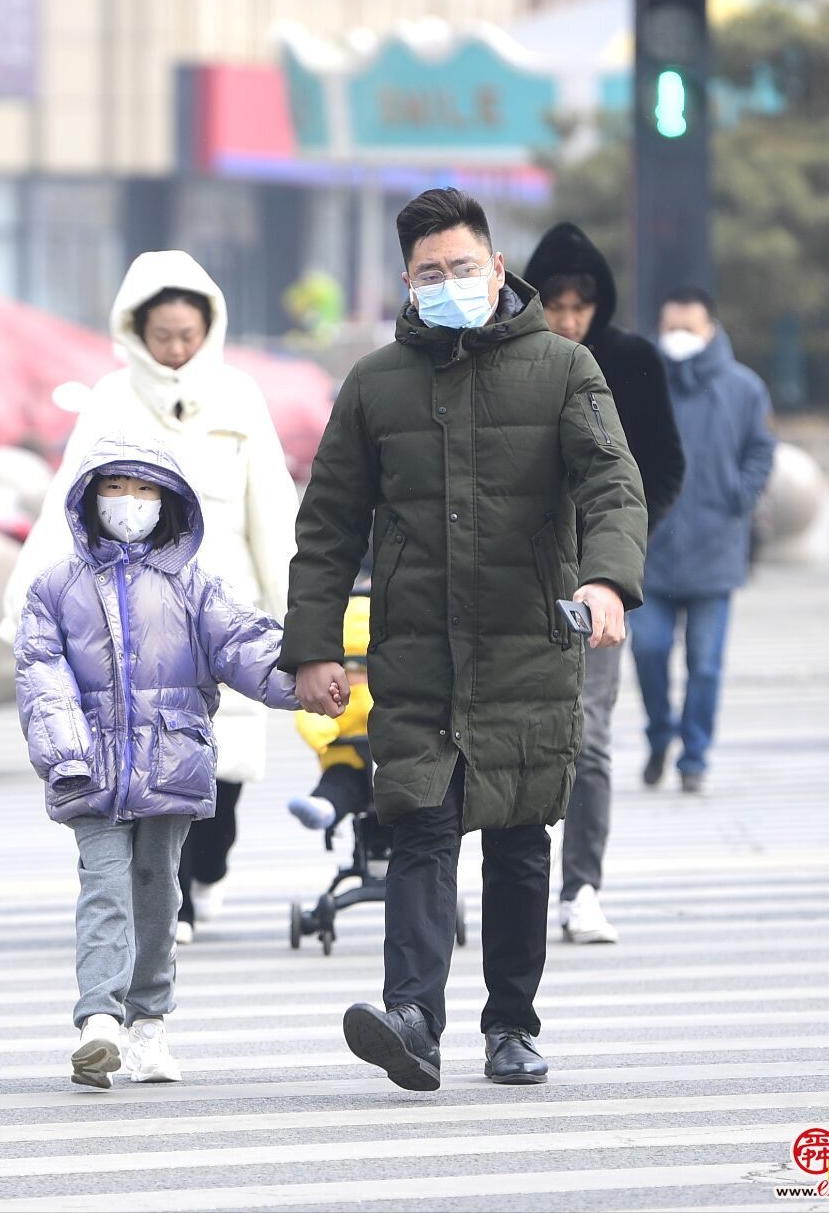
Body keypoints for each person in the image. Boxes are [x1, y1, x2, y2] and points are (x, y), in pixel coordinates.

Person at [282, 187, 647, 1092]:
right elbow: (327, 524)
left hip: (527, 640)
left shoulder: (564, 368)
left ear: (495, 267)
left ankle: (512, 1023)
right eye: (429, 272)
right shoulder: (374, 383)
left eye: (463, 267)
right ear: (407, 283)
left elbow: (612, 481)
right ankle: (412, 1017)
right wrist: (315, 647)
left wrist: (604, 577)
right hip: (418, 648)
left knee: (520, 841)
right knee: (418, 825)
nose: (449, 283)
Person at [4, 251, 298, 945]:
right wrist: (28, 604)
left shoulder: (240, 396)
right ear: (137, 329)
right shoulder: (111, 397)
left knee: (222, 778)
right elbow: (65, 505)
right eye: (162, 334)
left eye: (187, 334)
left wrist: (299, 618)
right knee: (153, 772)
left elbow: (272, 509)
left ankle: (208, 873)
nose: (174, 348)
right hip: (129, 619)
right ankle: (174, 908)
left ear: (209, 328)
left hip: (224, 615)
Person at [15, 438, 303, 1089]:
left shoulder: (193, 585)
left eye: (145, 490)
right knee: (106, 887)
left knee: (157, 893)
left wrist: (308, 679)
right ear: (90, 497)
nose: (130, 502)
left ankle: (148, 1026)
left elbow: (244, 646)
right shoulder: (56, 588)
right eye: (116, 487)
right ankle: (99, 1022)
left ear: (168, 501)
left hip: (169, 763)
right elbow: (42, 675)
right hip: (88, 772)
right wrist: (67, 754)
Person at [524, 223, 686, 945]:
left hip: (599, 583)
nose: (567, 320)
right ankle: (515, 884)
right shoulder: (511, 363)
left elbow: (662, 467)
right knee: (519, 736)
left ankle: (582, 883)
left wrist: (617, 556)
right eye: (554, 305)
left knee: (589, 733)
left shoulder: (631, 360)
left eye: (579, 306)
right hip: (520, 577)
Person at [634, 287, 776, 796]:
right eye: (670, 328)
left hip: (715, 551)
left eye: (688, 330)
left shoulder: (744, 388)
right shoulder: (641, 384)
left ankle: (694, 755)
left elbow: (761, 450)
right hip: (649, 552)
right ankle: (659, 736)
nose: (677, 339)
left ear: (710, 330)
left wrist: (739, 496)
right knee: (648, 651)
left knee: (706, 663)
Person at [288, 597, 374, 832]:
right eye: (352, 667)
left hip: (394, 764)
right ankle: (323, 807)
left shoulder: (387, 693)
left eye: (368, 667)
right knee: (338, 784)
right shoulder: (334, 694)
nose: (359, 676)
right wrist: (322, 734)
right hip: (347, 762)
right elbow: (313, 716)